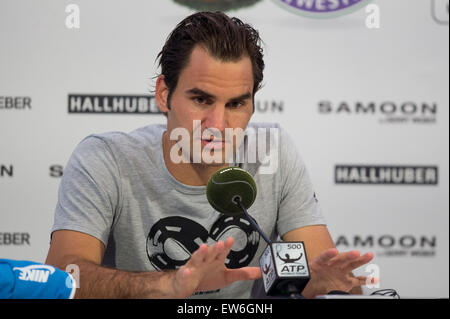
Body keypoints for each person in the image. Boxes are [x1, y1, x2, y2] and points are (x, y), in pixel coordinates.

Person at [45, 11, 373, 299]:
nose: (217, 125)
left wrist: (312, 282)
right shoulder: (105, 159)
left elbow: (317, 271)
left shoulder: (272, 151)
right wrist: (171, 285)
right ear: (164, 94)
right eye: (201, 100)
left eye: (235, 104)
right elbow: (64, 274)